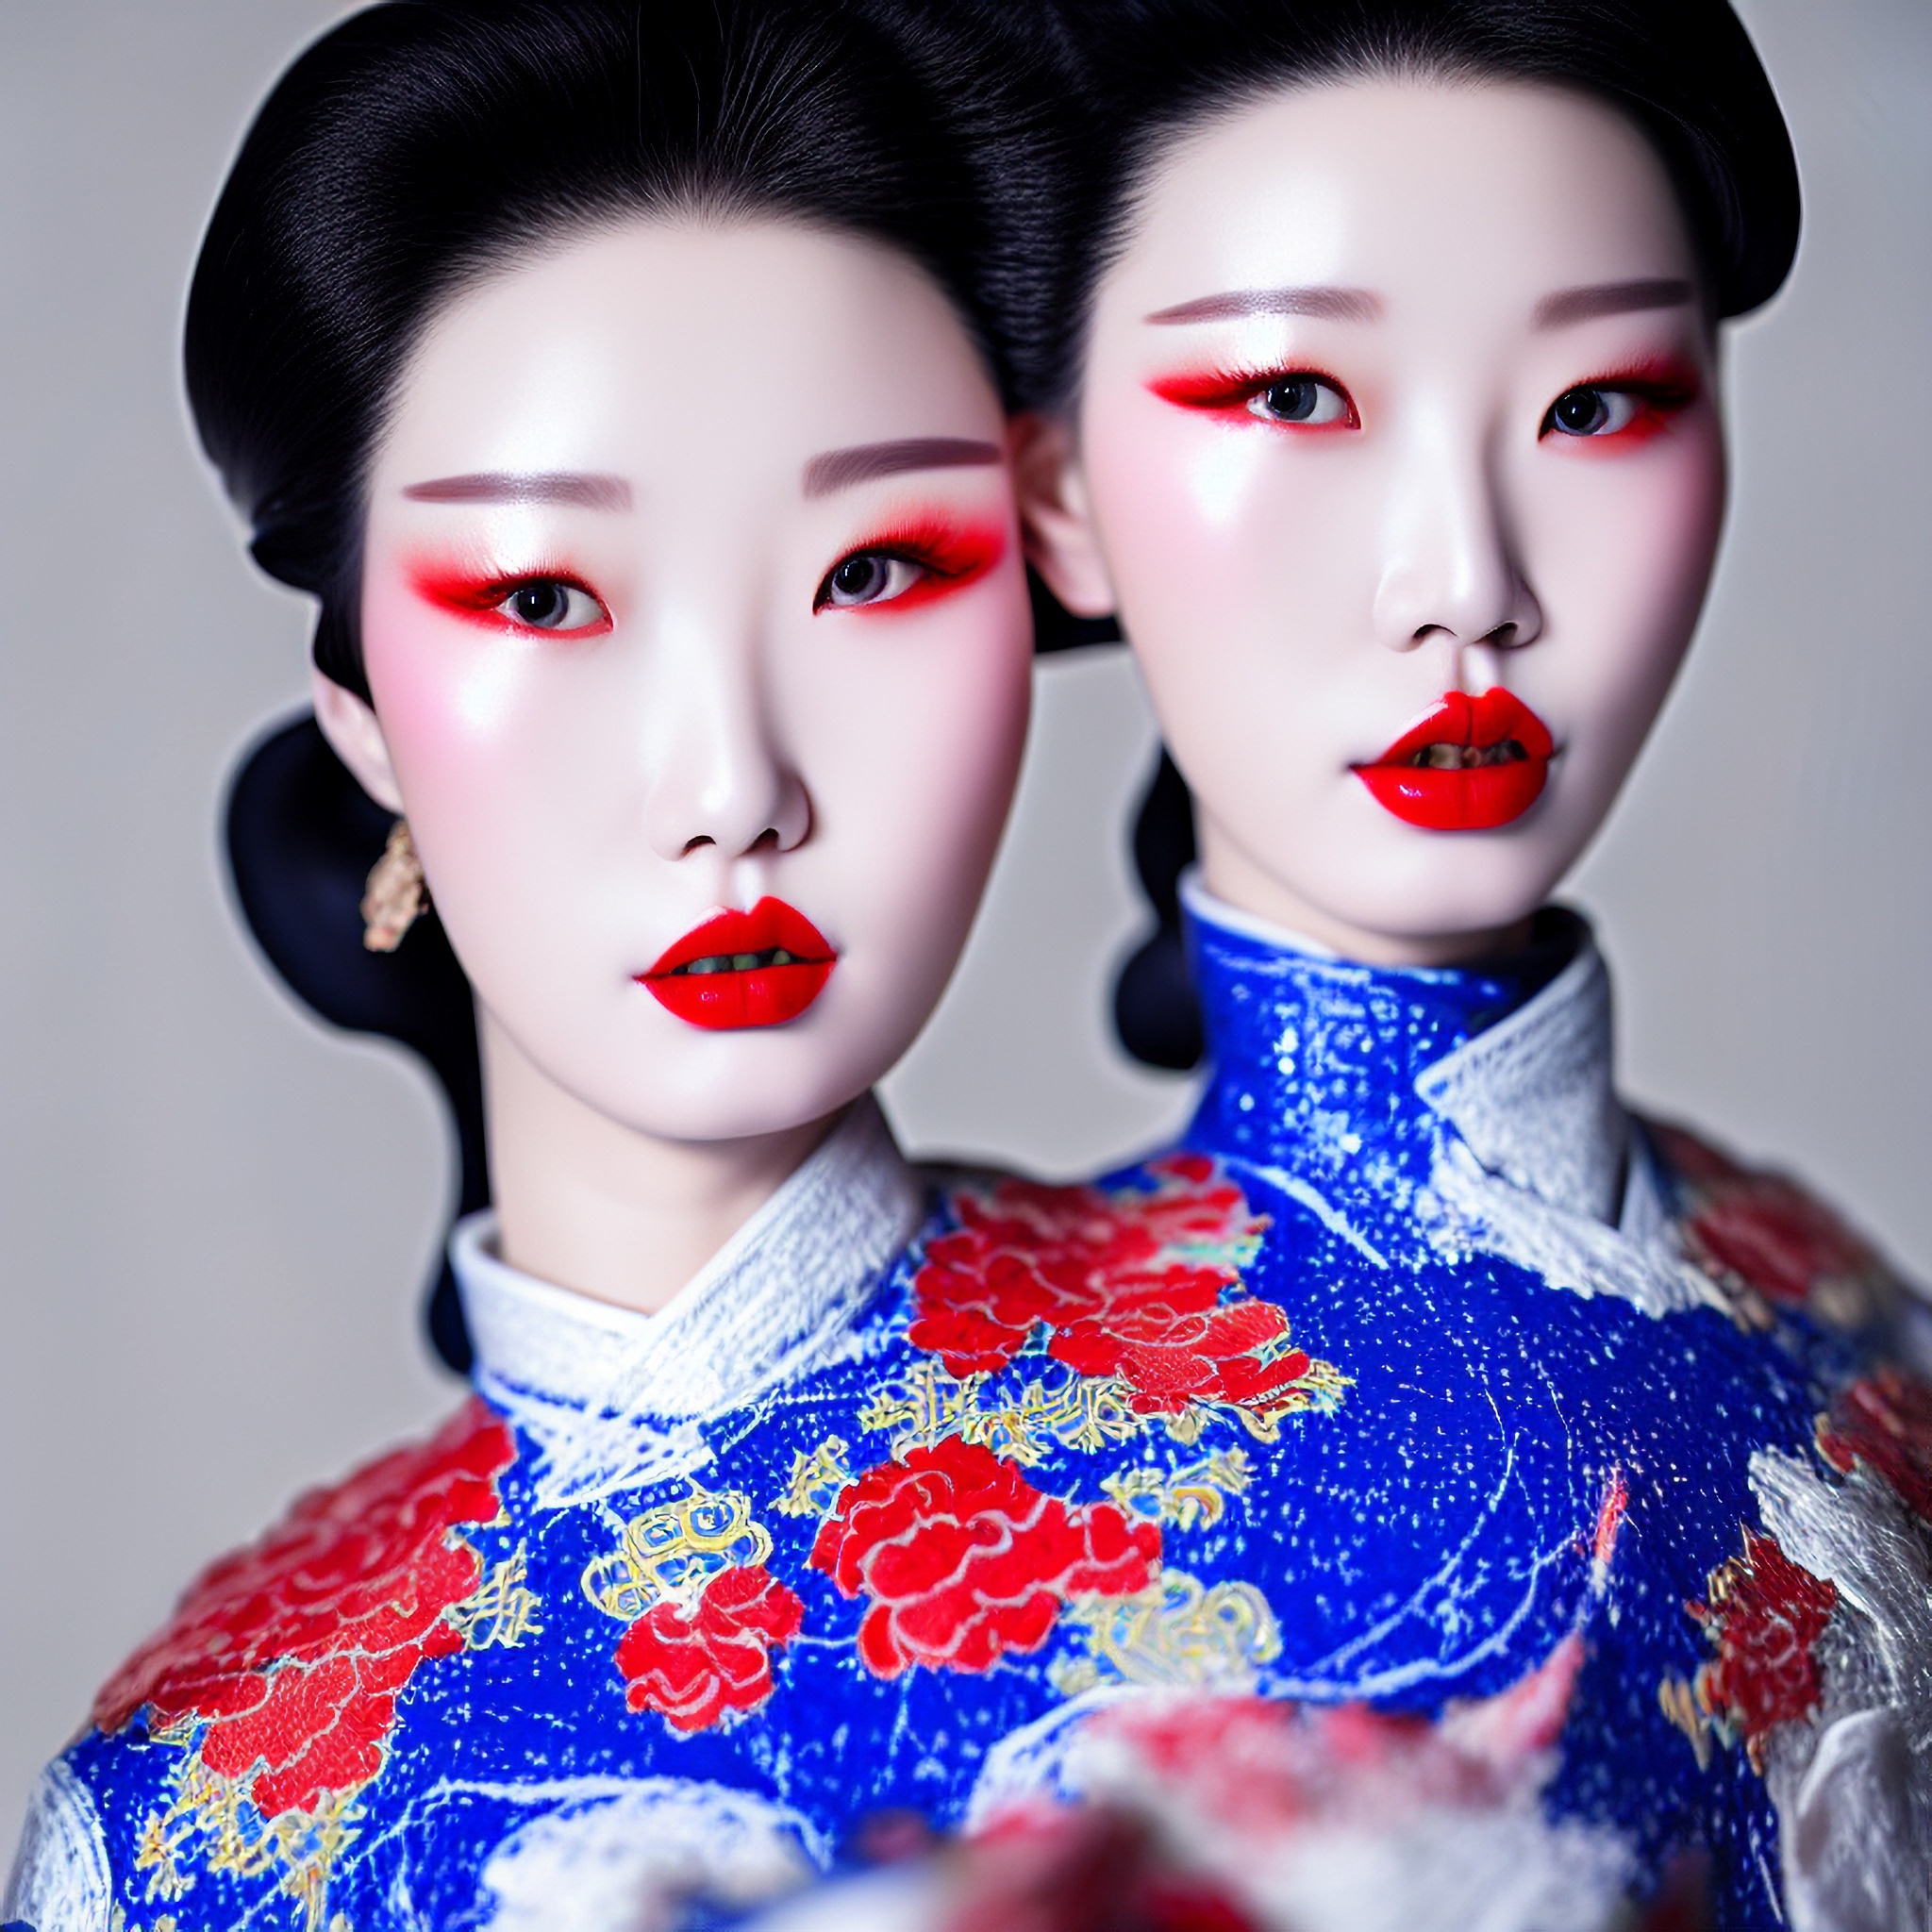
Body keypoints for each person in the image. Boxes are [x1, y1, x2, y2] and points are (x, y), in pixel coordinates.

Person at [4, 2, 1070, 1926]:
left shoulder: (1442, 1447)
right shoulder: (191, 1821)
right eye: (544, 597)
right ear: (365, 714)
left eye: (877, 570)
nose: (735, 784)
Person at [1003, 2, 1932, 1926]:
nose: (1466, 577)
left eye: (1596, 401)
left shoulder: (1831, 1289)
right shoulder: (965, 1464)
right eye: (1291, 397)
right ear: (1055, 492)